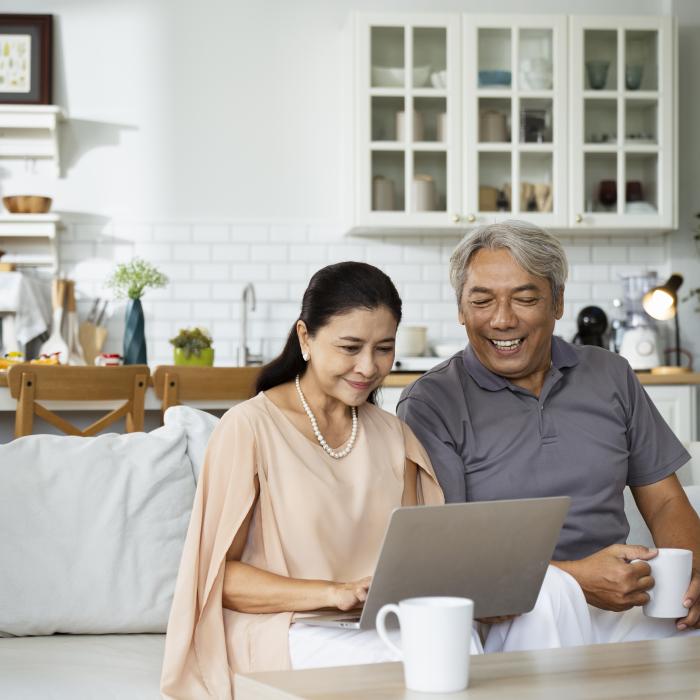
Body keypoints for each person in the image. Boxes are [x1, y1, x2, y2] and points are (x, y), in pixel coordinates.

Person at [397, 220, 700, 644]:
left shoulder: (610, 374)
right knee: (550, 603)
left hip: (621, 593)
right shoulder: (431, 403)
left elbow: (666, 500)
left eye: (525, 299)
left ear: (557, 302)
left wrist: (693, 575)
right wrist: (576, 579)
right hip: (512, 608)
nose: (502, 320)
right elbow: (447, 556)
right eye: (482, 301)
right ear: (461, 309)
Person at [160, 262, 445, 698]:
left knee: (456, 648)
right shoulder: (249, 429)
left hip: (373, 625)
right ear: (305, 338)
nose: (368, 367)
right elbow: (221, 581)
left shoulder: (393, 435)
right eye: (350, 347)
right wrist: (334, 593)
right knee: (404, 666)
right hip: (282, 628)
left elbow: (413, 558)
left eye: (383, 348)